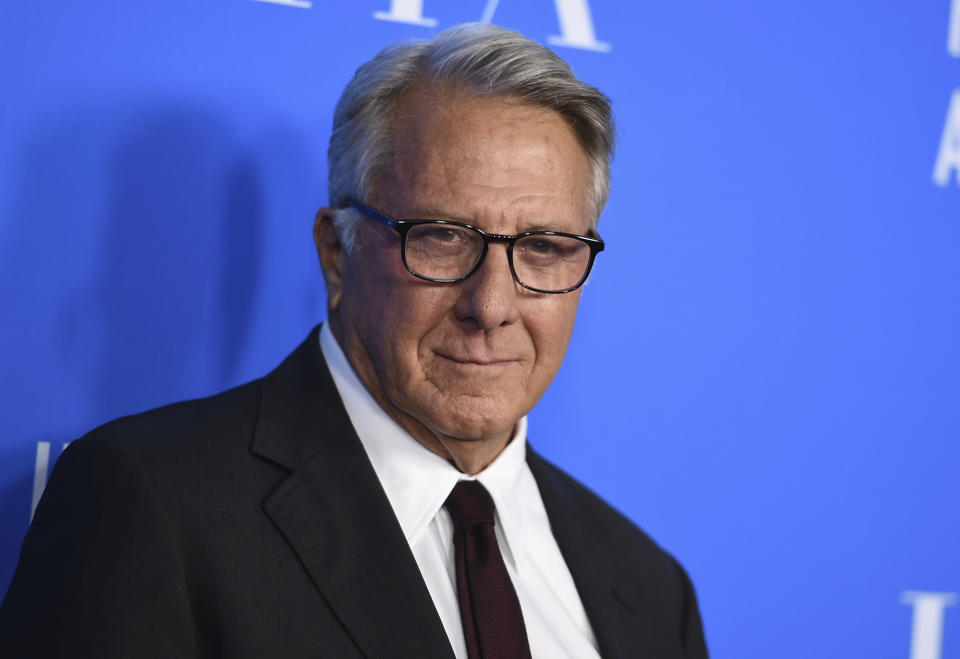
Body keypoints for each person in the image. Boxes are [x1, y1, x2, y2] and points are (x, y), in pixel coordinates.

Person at [0, 23, 708, 659]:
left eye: (545, 247)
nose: (491, 305)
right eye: (442, 237)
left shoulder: (649, 586)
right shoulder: (150, 505)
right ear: (336, 253)